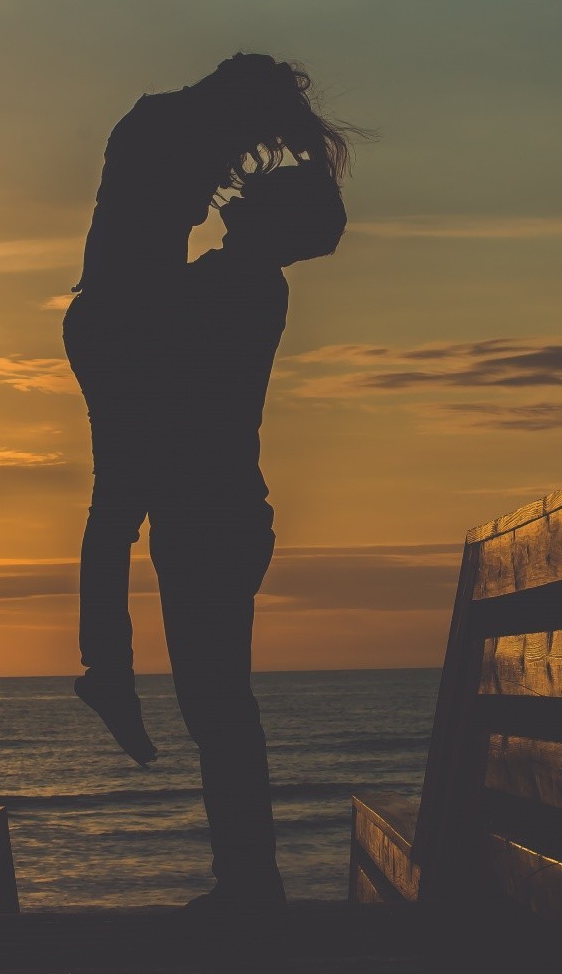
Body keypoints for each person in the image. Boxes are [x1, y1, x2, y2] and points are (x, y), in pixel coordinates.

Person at [62, 55, 355, 773]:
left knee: (115, 514)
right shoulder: (170, 140)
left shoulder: (233, 282)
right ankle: (106, 673)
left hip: (142, 363)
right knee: (116, 516)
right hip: (127, 347)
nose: (226, 191)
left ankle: (107, 672)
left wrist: (292, 187)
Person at [152, 163, 347, 913]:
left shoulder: (244, 286)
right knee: (215, 703)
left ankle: (249, 880)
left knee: (217, 704)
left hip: (213, 516)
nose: (240, 196)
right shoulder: (242, 282)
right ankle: (245, 876)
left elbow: (156, 321)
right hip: (214, 513)